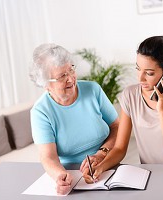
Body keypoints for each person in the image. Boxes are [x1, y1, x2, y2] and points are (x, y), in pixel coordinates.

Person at [83, 34, 163, 183]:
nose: (140, 78)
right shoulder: (130, 95)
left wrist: (162, 111)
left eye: (149, 73)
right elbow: (120, 148)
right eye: (138, 69)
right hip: (151, 177)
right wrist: (101, 167)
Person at [29, 43, 119, 194]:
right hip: (73, 176)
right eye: (62, 76)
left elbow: (117, 127)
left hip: (108, 164)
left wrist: (101, 153)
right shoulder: (41, 112)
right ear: (46, 85)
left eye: (71, 69)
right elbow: (48, 157)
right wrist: (60, 176)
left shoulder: (93, 89)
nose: (71, 79)